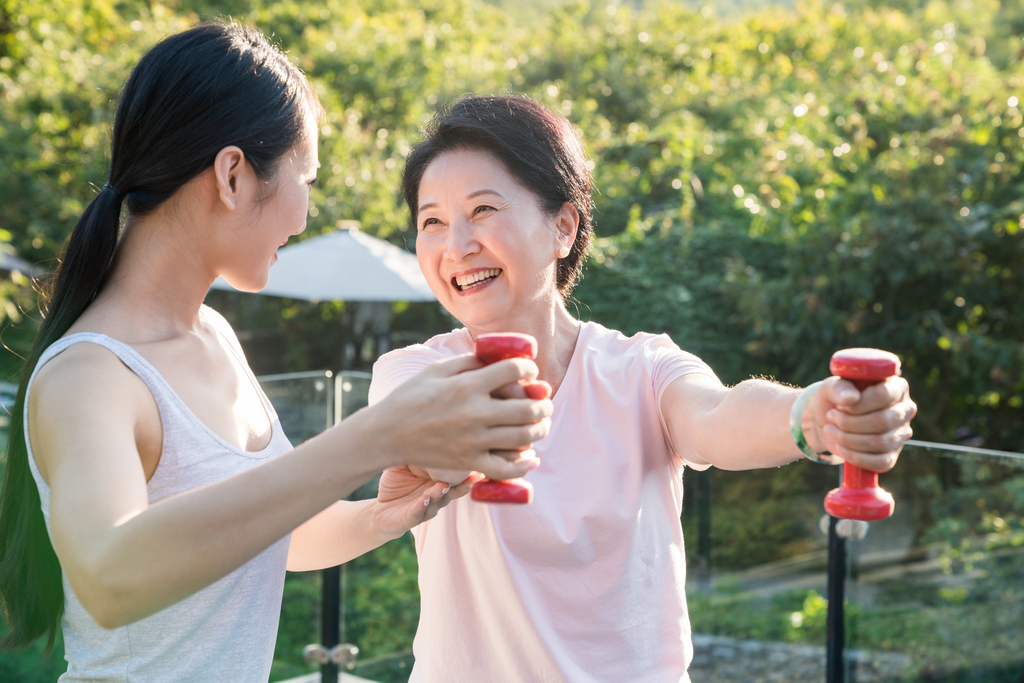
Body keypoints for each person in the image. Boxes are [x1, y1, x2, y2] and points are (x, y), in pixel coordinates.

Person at [0, 27, 552, 682]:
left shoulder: (214, 336)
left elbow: (275, 531)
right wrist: (377, 434)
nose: (305, 211)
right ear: (233, 175)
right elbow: (108, 576)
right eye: (306, 177)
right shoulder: (90, 374)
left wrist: (387, 512)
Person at [367, 95, 918, 682]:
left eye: (482, 210)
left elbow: (717, 415)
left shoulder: (641, 367)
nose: (456, 244)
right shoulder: (410, 371)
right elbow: (416, 436)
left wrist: (813, 414)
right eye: (432, 221)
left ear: (562, 226)